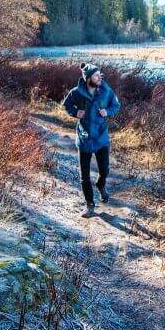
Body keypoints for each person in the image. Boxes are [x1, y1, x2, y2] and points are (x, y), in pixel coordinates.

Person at [62, 62, 121, 217]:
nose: (99, 77)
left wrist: (107, 112)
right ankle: (90, 205)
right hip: (84, 137)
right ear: (88, 78)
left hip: (101, 137)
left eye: (99, 74)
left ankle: (101, 186)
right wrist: (75, 113)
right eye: (96, 75)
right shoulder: (76, 92)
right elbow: (66, 104)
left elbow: (116, 105)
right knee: (84, 176)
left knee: (104, 170)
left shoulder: (106, 90)